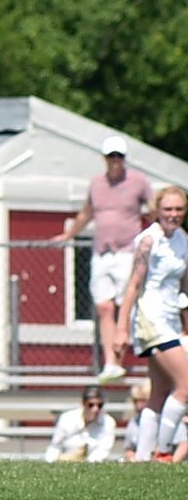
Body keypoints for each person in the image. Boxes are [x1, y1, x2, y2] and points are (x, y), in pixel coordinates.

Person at [51, 135, 152, 382]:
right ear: (105, 158)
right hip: (101, 253)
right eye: (111, 156)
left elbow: (153, 210)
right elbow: (86, 213)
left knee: (126, 306)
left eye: (119, 156)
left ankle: (130, 356)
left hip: (128, 252)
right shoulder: (96, 183)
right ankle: (111, 362)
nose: (115, 161)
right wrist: (69, 234)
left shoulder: (138, 182)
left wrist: (154, 239)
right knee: (104, 307)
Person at [115, 185, 188, 462]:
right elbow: (133, 285)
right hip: (151, 318)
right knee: (185, 386)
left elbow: (185, 284)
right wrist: (122, 328)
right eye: (168, 209)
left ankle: (143, 459)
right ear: (157, 210)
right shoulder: (148, 241)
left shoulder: (182, 239)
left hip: (170, 318)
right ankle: (164, 452)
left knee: (158, 392)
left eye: (179, 209)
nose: (173, 214)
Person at [44, 384, 117, 462]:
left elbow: (103, 451)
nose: (95, 409)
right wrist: (52, 461)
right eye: (91, 405)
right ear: (83, 404)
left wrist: (83, 462)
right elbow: (55, 446)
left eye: (100, 405)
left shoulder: (108, 423)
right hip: (65, 461)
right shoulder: (67, 418)